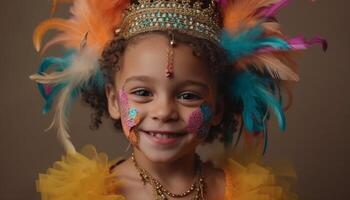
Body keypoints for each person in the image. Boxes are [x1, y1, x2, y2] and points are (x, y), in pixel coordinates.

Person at [31, 0, 327, 199]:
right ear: (113, 100)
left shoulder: (243, 193)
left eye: (188, 96)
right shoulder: (88, 194)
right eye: (143, 93)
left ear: (219, 108)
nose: (164, 111)